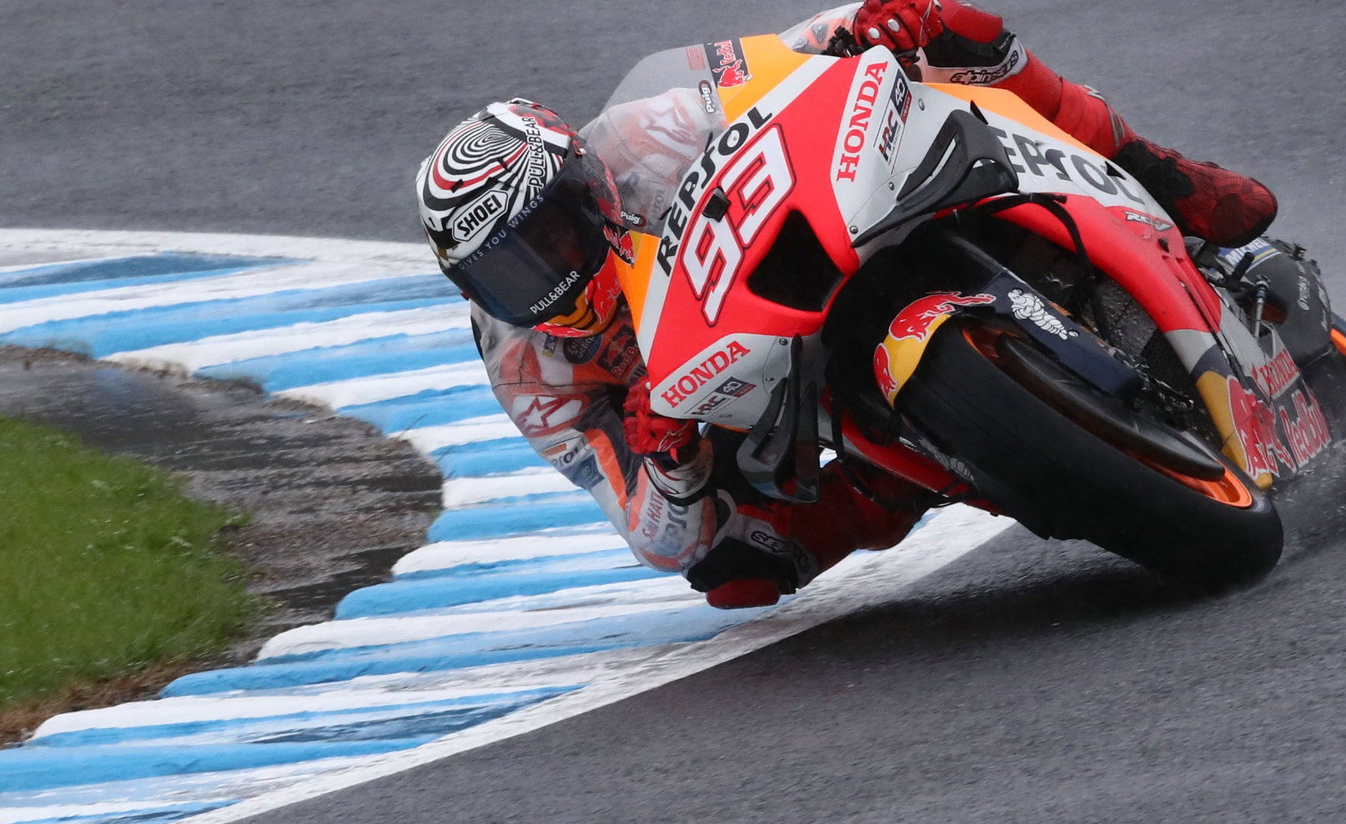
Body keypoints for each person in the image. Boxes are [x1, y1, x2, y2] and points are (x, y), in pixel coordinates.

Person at [414, 0, 1279, 610]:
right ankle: (911, 474)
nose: (548, 279)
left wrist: (869, 25)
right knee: (734, 572)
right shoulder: (529, 371)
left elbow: (781, 60)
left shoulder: (645, 135)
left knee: (947, 31)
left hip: (824, 235)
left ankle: (1158, 170)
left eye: (552, 237)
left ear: (587, 186)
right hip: (767, 392)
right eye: (509, 275)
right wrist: (669, 463)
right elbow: (652, 536)